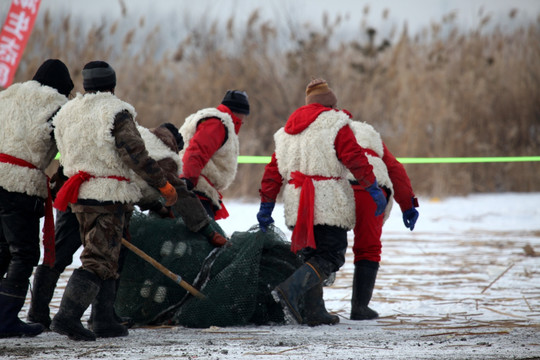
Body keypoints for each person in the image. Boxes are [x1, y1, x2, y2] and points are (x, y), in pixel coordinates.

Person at [49, 60, 178, 341]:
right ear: (113, 84)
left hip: (77, 195)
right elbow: (135, 154)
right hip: (107, 196)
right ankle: (67, 317)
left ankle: (104, 319)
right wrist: (163, 185)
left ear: (86, 84)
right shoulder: (116, 111)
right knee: (98, 260)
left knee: (108, 257)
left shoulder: (67, 112)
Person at [256, 78, 387, 326]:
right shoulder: (336, 124)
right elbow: (355, 158)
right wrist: (372, 187)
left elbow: (273, 171)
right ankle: (291, 289)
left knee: (311, 255)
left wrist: (266, 205)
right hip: (327, 200)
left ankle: (315, 311)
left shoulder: (285, 132)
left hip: (297, 201)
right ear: (329, 103)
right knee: (330, 255)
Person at [0, 59, 74, 338]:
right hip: (19, 185)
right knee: (24, 253)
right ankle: (6, 319)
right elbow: (64, 151)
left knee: (2, 250)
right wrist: (60, 175)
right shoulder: (58, 107)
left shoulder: (6, 95)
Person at [347, 120, 419, 321]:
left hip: (337, 186)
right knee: (368, 247)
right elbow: (395, 170)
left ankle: (309, 304)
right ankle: (360, 307)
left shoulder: (327, 131)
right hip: (373, 189)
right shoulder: (370, 134)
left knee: (323, 244)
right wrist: (409, 205)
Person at [179, 90, 250, 220]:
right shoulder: (217, 123)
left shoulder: (210, 117)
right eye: (245, 116)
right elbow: (197, 151)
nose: (244, 121)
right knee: (204, 237)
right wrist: (187, 181)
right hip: (194, 190)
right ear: (239, 113)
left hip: (190, 187)